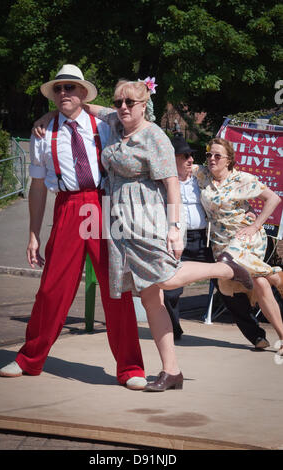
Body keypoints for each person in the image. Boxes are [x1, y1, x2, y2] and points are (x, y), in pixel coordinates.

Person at [31, 77, 254, 392]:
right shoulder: (115, 123)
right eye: (119, 101)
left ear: (143, 105)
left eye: (130, 103)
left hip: (146, 219)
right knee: (151, 297)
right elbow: (84, 105)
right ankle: (171, 371)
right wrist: (45, 117)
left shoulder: (155, 137)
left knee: (165, 278)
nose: (122, 107)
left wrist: (175, 228)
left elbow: (172, 184)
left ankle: (226, 268)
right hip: (117, 222)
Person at [0, 64, 147, 391]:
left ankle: (131, 368)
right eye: (59, 89)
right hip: (67, 206)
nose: (64, 93)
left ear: (83, 93)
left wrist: (83, 108)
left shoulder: (104, 125)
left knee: (115, 288)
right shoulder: (44, 133)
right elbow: (37, 188)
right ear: (53, 96)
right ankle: (29, 359)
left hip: (103, 204)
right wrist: (33, 234)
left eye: (71, 88)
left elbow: (132, 115)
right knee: (52, 289)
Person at [163, 133, 269, 349]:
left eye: (192, 155)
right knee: (170, 290)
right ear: (172, 159)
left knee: (225, 287)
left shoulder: (200, 176)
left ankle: (256, 335)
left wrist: (250, 213)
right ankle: (172, 330)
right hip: (177, 240)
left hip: (202, 240)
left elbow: (225, 194)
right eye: (185, 156)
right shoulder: (163, 182)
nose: (191, 160)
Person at [193, 137, 283, 354]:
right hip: (220, 243)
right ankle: (276, 276)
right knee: (259, 284)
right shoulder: (203, 174)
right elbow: (181, 163)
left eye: (217, 156)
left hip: (245, 238)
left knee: (233, 264)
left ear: (229, 160)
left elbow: (273, 199)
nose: (211, 159)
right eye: (209, 155)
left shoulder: (242, 179)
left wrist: (255, 225)